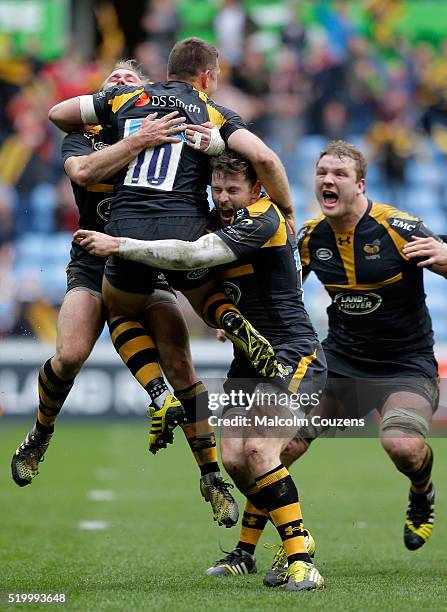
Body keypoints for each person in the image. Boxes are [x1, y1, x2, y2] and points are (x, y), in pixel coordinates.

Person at [184, 140, 444, 584]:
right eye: (323, 172)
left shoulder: (398, 228)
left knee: (402, 446)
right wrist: (235, 316)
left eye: (339, 174)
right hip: (340, 364)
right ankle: (246, 551)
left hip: (405, 365)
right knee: (273, 449)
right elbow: (277, 290)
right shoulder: (309, 237)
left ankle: (421, 493)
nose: (328, 179)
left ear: (360, 184)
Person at [73, 151, 327, 592]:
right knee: (232, 459)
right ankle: (266, 548)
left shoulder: (264, 217)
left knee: (259, 453)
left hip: (289, 351)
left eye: (233, 190)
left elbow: (194, 256)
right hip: (249, 359)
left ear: (256, 190)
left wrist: (121, 244)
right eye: (218, 189)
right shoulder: (216, 219)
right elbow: (203, 289)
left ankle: (302, 557)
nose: (224, 198)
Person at [11, 61, 239, 529]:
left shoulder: (169, 129)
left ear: (146, 91)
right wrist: (137, 140)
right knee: (70, 354)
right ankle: (40, 433)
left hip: (145, 256)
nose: (120, 81)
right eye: (113, 78)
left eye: (129, 78)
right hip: (94, 260)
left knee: (181, 364)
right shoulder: (87, 133)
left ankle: (211, 477)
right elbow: (82, 171)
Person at [47, 37, 293, 449]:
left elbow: (57, 112)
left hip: (128, 228)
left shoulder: (129, 100)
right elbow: (265, 159)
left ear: (159, 77)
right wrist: (286, 207)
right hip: (187, 225)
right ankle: (227, 319)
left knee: (119, 311)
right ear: (208, 76)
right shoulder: (212, 111)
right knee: (202, 299)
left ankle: (161, 398)